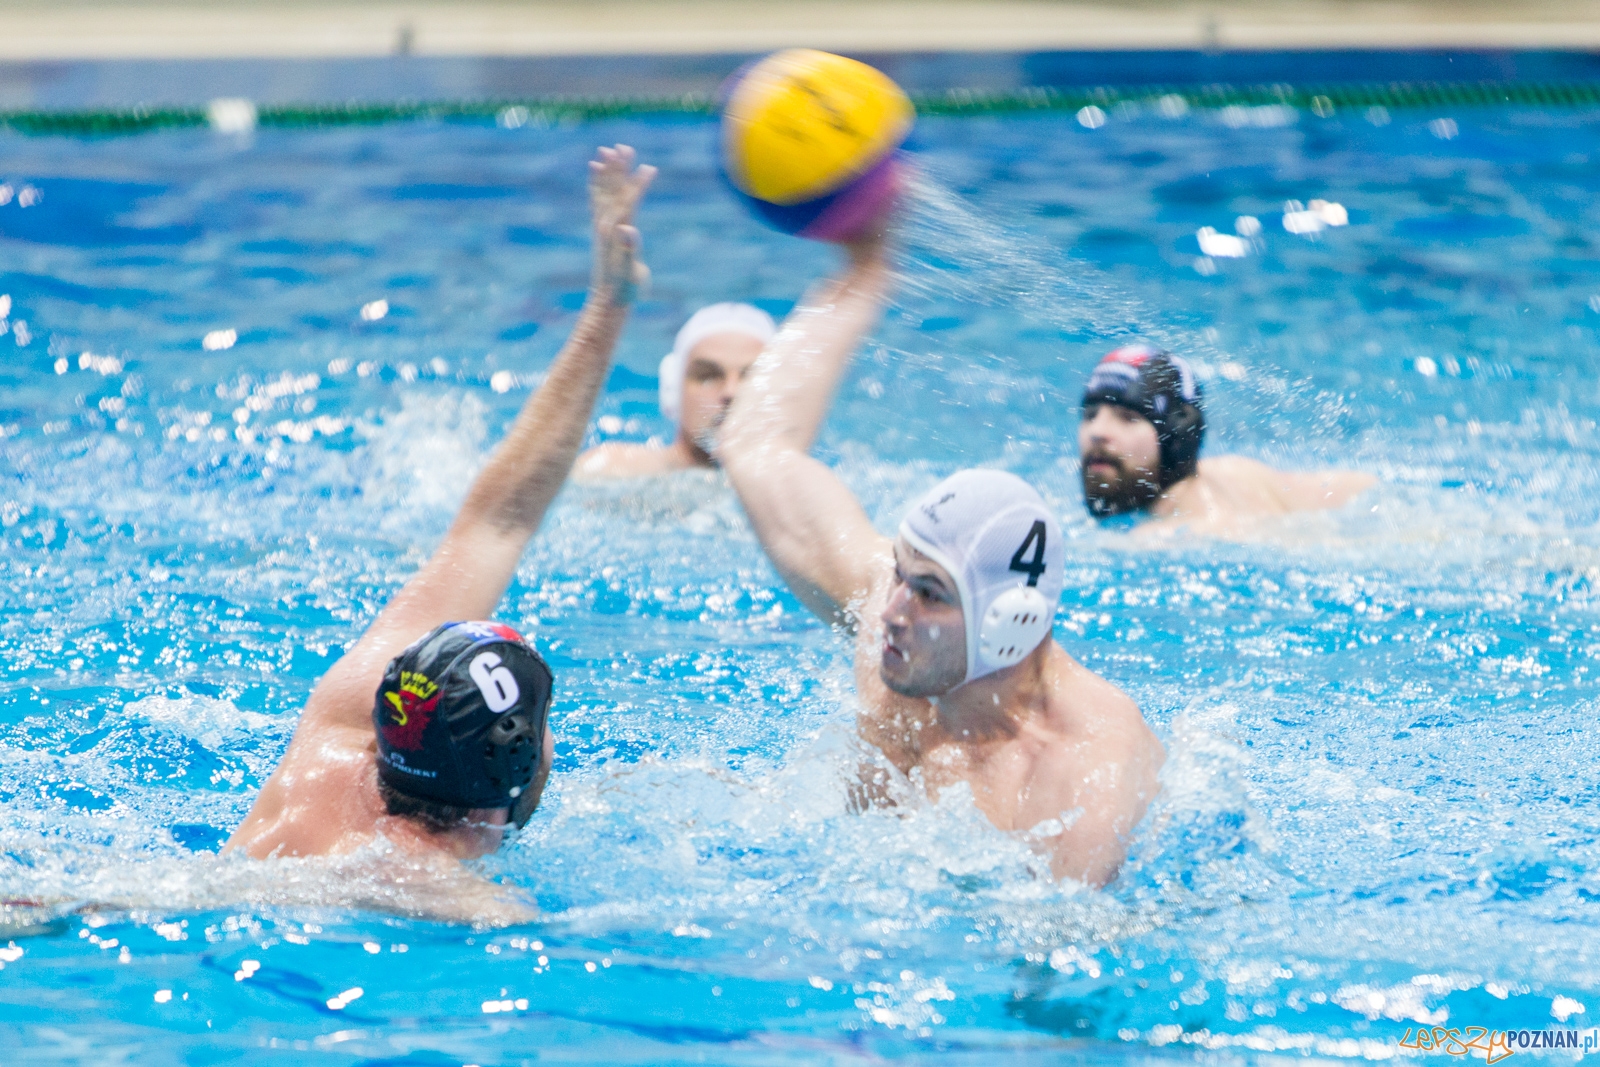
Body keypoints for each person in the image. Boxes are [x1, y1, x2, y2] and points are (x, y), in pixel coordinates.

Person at [224, 145, 657, 923]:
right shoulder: (452, 896)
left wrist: (609, 304)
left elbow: (501, 513)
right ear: (518, 772)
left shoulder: (346, 720)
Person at [717, 233, 1165, 888]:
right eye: (900, 571)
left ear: (1006, 623)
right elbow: (756, 448)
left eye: (929, 591)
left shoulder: (1080, 772)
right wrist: (862, 267)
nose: (890, 611)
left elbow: (1055, 968)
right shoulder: (888, 612)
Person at [1079, 344, 1376, 533]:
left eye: (1128, 418)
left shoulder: (1172, 536)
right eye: (1090, 414)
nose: (1097, 432)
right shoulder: (1238, 472)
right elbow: (1364, 487)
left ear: (1176, 435)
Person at [575, 302, 775, 478]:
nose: (731, 392)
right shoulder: (612, 471)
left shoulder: (791, 491)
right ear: (673, 391)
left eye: (751, 377)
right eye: (708, 376)